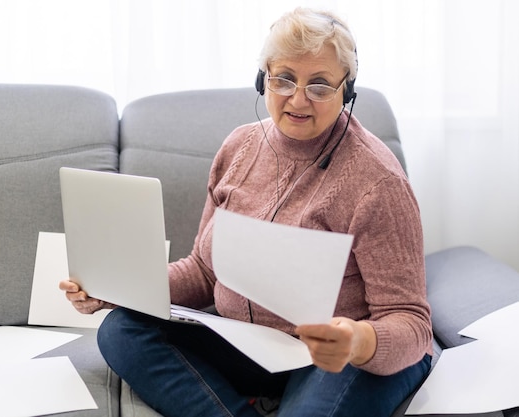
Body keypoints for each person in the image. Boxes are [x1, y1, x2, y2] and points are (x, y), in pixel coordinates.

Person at [60, 7, 432, 417]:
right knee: (122, 330)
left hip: (337, 358)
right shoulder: (239, 148)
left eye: (321, 85)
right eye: (284, 79)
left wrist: (359, 341)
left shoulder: (378, 181)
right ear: (263, 79)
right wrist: (117, 287)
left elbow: (411, 322)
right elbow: (204, 271)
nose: (298, 98)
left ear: (348, 90)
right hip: (249, 347)